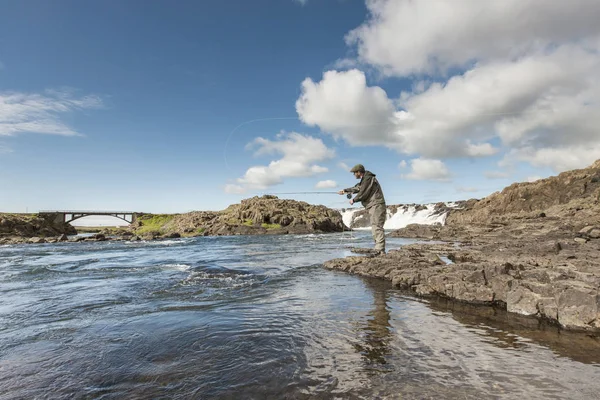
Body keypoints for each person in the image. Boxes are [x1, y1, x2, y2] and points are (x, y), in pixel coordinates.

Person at [338, 164, 386, 254]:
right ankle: (379, 249)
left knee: (377, 226)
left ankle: (380, 250)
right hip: (373, 205)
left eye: (354, 173)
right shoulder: (365, 180)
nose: (354, 175)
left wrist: (354, 200)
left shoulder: (368, 179)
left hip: (376, 205)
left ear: (359, 172)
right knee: (375, 226)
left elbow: (363, 193)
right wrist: (345, 190)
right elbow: (358, 188)